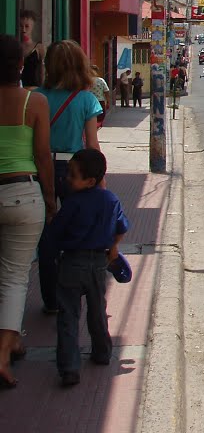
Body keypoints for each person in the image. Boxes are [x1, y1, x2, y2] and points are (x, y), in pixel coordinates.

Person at [0, 34, 56, 389]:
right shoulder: (33, 103)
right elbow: (42, 156)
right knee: (15, 278)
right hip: (24, 192)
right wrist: (50, 200)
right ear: (21, 65)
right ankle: (5, 351)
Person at [45, 149, 128, 387]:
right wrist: (113, 248)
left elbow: (53, 236)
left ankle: (70, 367)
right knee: (97, 312)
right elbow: (122, 227)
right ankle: (102, 353)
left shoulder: (72, 204)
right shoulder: (110, 199)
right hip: (97, 265)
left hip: (71, 263)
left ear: (90, 180)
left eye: (72, 174)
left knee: (68, 316)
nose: (66, 178)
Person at [36, 40, 103, 314]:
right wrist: (99, 181)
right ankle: (76, 292)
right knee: (79, 231)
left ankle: (50, 301)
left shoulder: (37, 97)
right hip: (76, 170)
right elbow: (92, 145)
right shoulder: (86, 99)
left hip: (41, 168)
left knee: (46, 236)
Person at [19, 10, 44, 89]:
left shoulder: (39, 48)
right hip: (18, 89)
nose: (23, 30)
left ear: (32, 27)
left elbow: (43, 72)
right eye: (21, 26)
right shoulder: (15, 46)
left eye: (27, 26)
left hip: (34, 89)